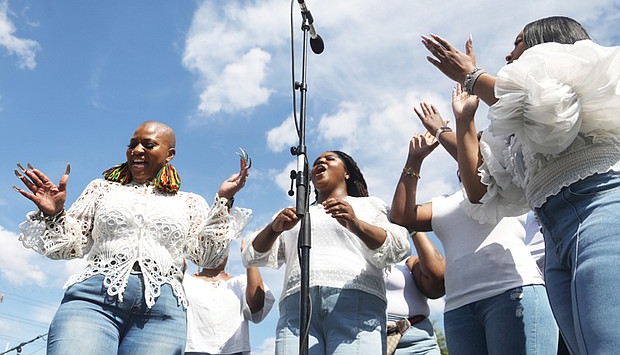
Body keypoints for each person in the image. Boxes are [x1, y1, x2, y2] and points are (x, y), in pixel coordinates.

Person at [422, 16, 620, 354]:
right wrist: (463, 120)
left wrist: (471, 76)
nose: (508, 54)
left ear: (546, 42)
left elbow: (547, 110)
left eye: (517, 42)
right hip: (554, 236)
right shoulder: (512, 124)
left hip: (601, 211)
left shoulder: (566, 80)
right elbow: (479, 191)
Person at [13, 120, 251, 355]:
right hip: (93, 300)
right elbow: (68, 248)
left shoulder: (189, 202)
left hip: (161, 313)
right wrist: (54, 214)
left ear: (169, 154)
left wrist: (223, 201)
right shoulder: (102, 189)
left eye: (148, 145)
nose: (137, 150)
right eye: (132, 144)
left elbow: (208, 258)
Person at [390, 103, 558, 355]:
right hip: (459, 309)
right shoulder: (444, 203)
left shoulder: (506, 188)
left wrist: (442, 130)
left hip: (511, 293)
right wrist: (414, 159)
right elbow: (401, 216)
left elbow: (479, 166)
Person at [242, 150, 411, 355]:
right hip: (297, 306)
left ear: (347, 173)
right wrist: (274, 228)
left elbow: (399, 246)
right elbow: (252, 255)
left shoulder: (369, 205)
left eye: (330, 159)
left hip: (354, 302)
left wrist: (355, 223)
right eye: (316, 162)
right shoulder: (296, 214)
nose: (321, 162)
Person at [183, 239, 275, 355]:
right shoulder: (186, 281)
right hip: (193, 350)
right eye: (211, 246)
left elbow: (256, 305)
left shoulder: (240, 282)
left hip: (235, 351)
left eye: (222, 247)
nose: (218, 251)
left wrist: (250, 258)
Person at [384, 231, 445, 355]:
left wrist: (413, 227)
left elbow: (438, 279)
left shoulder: (407, 263)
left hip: (416, 340)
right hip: (366, 336)